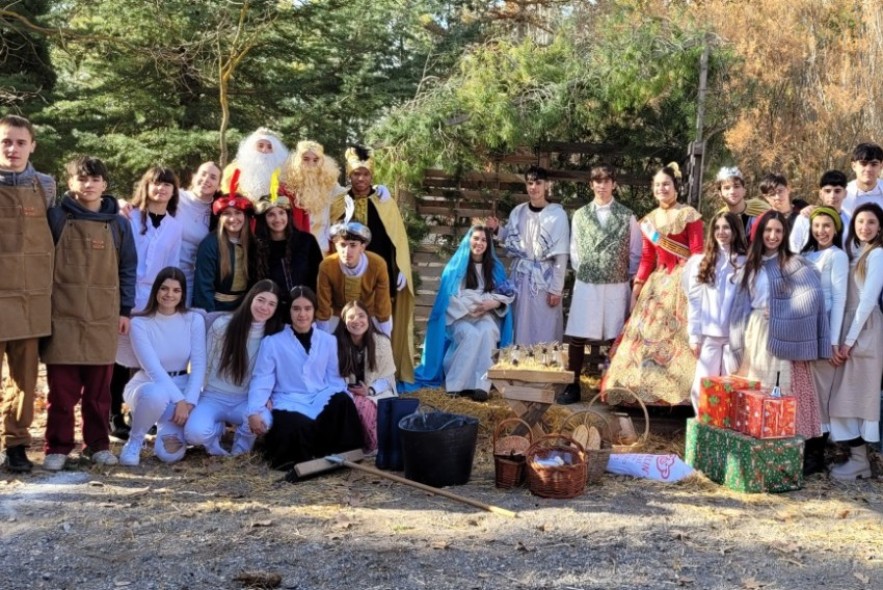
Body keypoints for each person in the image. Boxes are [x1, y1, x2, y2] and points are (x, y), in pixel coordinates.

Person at [41, 156, 137, 470]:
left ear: (104, 184)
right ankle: (57, 446)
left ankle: (97, 445)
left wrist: (124, 309)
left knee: (99, 392)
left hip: (103, 315)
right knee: (62, 392)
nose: (89, 184)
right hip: (62, 314)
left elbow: (127, 268)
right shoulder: (56, 218)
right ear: (70, 184)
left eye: (95, 179)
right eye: (82, 179)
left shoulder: (119, 224)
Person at [603, 163, 703, 405]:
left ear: (675, 187)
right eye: (657, 185)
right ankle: (640, 391)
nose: (662, 189)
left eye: (666, 184)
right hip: (657, 284)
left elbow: (698, 252)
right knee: (644, 338)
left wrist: (698, 284)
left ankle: (682, 393)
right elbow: (648, 257)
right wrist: (637, 287)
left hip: (685, 281)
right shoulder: (648, 220)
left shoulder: (689, 214)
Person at [729, 210, 829, 446]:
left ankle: (788, 452)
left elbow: (812, 296)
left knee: (781, 392)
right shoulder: (750, 265)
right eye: (768, 230)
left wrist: (781, 311)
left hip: (783, 338)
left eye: (778, 231)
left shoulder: (793, 263)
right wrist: (735, 342)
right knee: (757, 395)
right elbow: (739, 307)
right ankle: (760, 452)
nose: (773, 236)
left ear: (784, 234)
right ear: (759, 232)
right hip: (755, 336)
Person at [246, 286, 363, 481]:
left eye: (307, 308)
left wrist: (341, 399)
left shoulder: (327, 341)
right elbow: (262, 379)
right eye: (296, 308)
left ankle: (341, 456)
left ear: (314, 311)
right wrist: (254, 410)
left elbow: (333, 378)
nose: (302, 314)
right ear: (289, 311)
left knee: (343, 401)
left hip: (319, 395)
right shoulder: (273, 342)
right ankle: (304, 460)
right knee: (295, 423)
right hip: (288, 398)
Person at [329, 146, 415, 381]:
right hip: (347, 275)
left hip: (379, 275)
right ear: (350, 175)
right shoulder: (340, 202)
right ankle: (345, 373)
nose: (361, 179)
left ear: (372, 176)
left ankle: (380, 375)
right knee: (350, 322)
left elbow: (395, 238)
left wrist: (399, 269)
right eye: (356, 174)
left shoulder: (384, 201)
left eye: (365, 174)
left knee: (378, 324)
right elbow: (331, 240)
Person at [110, 166, 184, 440]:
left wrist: (167, 301)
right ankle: (114, 414)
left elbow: (171, 264)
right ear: (146, 186)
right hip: (126, 294)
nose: (161, 189)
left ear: (174, 191)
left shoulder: (175, 226)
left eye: (167, 185)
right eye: (156, 184)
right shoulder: (129, 217)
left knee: (145, 358)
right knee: (120, 356)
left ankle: (140, 410)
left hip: (154, 297)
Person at [0, 114, 56, 473]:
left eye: (21, 142)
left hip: (30, 298)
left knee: (25, 379)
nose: (13, 148)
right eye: (6, 141)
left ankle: (17, 444)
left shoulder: (46, 185)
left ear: (32, 145)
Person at [560, 164, 641, 404]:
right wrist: (586, 269)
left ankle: (610, 385)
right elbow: (574, 247)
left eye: (607, 181)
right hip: (587, 283)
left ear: (614, 184)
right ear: (591, 184)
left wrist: (626, 274)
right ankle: (572, 386)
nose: (602, 185)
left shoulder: (628, 216)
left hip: (616, 284)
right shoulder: (581, 215)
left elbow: (635, 250)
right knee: (578, 334)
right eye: (597, 181)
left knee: (614, 336)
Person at [411, 224, 514, 402]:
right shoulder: (455, 268)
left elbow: (504, 297)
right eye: (476, 238)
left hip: (486, 316)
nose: (479, 243)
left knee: (488, 332)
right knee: (470, 334)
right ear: (468, 240)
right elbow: (447, 300)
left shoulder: (495, 269)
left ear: (488, 244)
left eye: (483, 240)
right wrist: (471, 307)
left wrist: (493, 303)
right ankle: (456, 384)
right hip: (459, 318)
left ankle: (481, 385)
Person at [185, 280, 285, 456]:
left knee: (264, 422)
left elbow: (273, 374)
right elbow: (203, 365)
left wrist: (268, 396)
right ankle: (215, 433)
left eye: (271, 304)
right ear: (250, 299)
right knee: (194, 434)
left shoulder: (274, 336)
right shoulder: (222, 325)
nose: (264, 307)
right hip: (213, 396)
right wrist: (193, 399)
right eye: (260, 300)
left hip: (245, 400)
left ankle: (241, 446)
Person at [119, 267, 206, 466]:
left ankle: (168, 430)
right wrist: (180, 401)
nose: (169, 294)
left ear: (183, 294)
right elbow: (153, 369)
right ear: (156, 290)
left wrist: (190, 401)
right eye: (164, 288)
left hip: (183, 387)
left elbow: (199, 364)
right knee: (157, 394)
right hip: (148, 386)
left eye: (176, 290)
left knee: (170, 455)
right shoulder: (140, 323)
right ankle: (135, 441)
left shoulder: (194, 320)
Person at [825, 203, 883, 479]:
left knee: (854, 399)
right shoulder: (854, 253)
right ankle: (856, 458)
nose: (865, 227)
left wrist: (848, 341)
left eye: (871, 222)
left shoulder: (878, 255)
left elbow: (868, 301)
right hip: (852, 328)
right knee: (843, 398)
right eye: (860, 222)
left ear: (880, 227)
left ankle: (860, 461)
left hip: (864, 330)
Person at [485, 166, 569, 346]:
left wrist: (556, 288)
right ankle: (519, 365)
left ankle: (544, 368)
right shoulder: (518, 212)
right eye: (530, 183)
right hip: (521, 277)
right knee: (519, 321)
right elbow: (514, 240)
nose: (534, 187)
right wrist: (498, 230)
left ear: (546, 185)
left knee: (544, 323)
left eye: (538, 183)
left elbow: (561, 255)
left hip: (544, 280)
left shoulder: (558, 215)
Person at [799, 205, 848, 474]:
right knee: (806, 392)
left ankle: (817, 456)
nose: (822, 231)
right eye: (817, 226)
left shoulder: (837, 256)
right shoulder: (806, 254)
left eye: (827, 226)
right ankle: (805, 449)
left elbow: (840, 298)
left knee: (820, 395)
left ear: (835, 228)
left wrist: (833, 340)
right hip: (804, 331)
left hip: (825, 329)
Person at [685, 212, 747, 413]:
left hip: (734, 338)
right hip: (709, 336)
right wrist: (694, 336)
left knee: (732, 387)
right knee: (702, 387)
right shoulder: (702, 262)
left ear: (735, 230)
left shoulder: (745, 262)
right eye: (717, 228)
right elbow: (695, 301)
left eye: (726, 227)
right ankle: (706, 426)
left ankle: (727, 431)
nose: (722, 232)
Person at [334, 300, 398, 452]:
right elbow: (331, 377)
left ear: (368, 319)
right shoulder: (334, 344)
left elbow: (387, 378)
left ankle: (372, 447)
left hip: (377, 391)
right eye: (351, 317)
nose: (356, 321)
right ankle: (354, 447)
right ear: (344, 322)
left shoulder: (382, 342)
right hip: (346, 392)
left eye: (361, 316)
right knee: (350, 406)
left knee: (366, 407)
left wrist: (369, 390)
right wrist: (349, 391)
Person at [316, 222, 392, 336]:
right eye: (342, 245)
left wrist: (385, 336)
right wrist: (322, 337)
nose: (347, 251)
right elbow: (323, 305)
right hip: (337, 315)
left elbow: (382, 304)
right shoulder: (327, 266)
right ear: (335, 245)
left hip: (368, 315)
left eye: (353, 245)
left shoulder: (377, 265)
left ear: (362, 247)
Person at [279, 140, 349, 253]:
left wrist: (374, 189)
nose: (311, 164)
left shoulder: (330, 185)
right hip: (296, 250)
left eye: (316, 160)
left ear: (322, 162)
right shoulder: (287, 186)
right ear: (297, 161)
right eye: (306, 159)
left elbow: (352, 193)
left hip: (323, 250)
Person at [253, 195, 322, 304]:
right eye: (271, 214)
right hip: (273, 310)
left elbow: (319, 276)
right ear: (263, 219)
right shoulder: (256, 247)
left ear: (288, 215)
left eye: (281, 212)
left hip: (305, 307)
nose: (277, 219)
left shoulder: (307, 241)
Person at [193, 194, 256, 312]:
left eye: (238, 212)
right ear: (220, 218)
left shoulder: (252, 243)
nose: (233, 218)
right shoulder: (210, 244)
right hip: (217, 309)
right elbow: (203, 287)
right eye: (227, 214)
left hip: (244, 309)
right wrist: (208, 317)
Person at [177, 161, 222, 303]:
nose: (206, 179)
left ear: (219, 185)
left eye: (213, 177)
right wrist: (121, 204)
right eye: (203, 174)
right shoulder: (175, 197)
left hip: (187, 280)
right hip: (156, 272)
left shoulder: (218, 213)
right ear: (194, 177)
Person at [220, 128, 289, 203]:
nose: (264, 150)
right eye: (260, 145)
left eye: (269, 147)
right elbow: (227, 191)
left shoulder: (284, 172)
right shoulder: (234, 169)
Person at [789, 170, 851, 252]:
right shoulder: (805, 217)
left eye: (837, 191)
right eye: (828, 191)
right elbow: (794, 247)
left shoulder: (850, 221)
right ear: (821, 194)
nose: (832, 196)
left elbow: (854, 251)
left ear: (845, 193)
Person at [715, 166, 769, 238]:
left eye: (736, 186)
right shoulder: (720, 218)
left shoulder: (761, 207)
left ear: (744, 190)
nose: (732, 192)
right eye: (727, 188)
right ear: (720, 194)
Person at [841, 142, 883, 216]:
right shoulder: (841, 195)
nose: (868, 169)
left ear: (881, 166)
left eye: (874, 164)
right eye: (863, 163)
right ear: (854, 166)